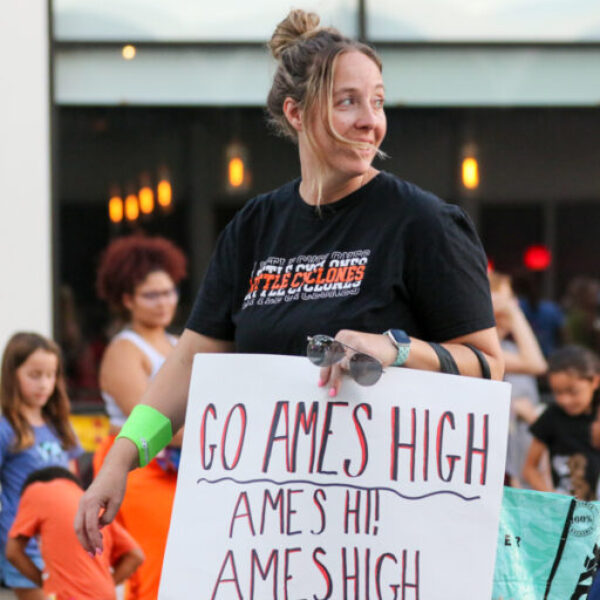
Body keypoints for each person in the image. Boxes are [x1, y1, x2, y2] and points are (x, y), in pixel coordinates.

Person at [76, 9, 504, 558]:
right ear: (296, 112)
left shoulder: (422, 222)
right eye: (347, 101)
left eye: (377, 100)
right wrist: (119, 461)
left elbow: (490, 367)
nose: (370, 120)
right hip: (272, 542)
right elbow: (189, 364)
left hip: (388, 545)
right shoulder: (254, 227)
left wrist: (393, 350)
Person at [92, 234, 186, 600]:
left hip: (183, 466)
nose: (164, 302)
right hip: (135, 464)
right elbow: (148, 419)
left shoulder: (180, 343)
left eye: (169, 292)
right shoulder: (123, 350)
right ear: (127, 300)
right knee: (153, 566)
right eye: (152, 294)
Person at [0, 332, 82, 599]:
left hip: (62, 544)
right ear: (12, 375)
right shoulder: (6, 428)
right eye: (35, 375)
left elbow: (73, 484)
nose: (44, 384)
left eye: (51, 375)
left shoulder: (59, 424)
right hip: (25, 548)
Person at [6, 466, 144, 600]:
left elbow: (13, 551)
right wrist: (103, 587)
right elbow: (136, 555)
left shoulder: (36, 490)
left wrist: (44, 582)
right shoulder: (91, 505)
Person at [489, 271, 547, 486]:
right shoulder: (474, 348)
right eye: (505, 300)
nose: (511, 306)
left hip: (511, 462)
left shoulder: (509, 348)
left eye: (513, 300)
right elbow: (536, 364)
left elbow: (537, 365)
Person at [522, 345, 600, 500]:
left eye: (573, 391)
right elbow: (529, 469)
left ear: (595, 381)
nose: (564, 400)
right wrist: (552, 498)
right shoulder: (552, 416)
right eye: (557, 392)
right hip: (567, 512)